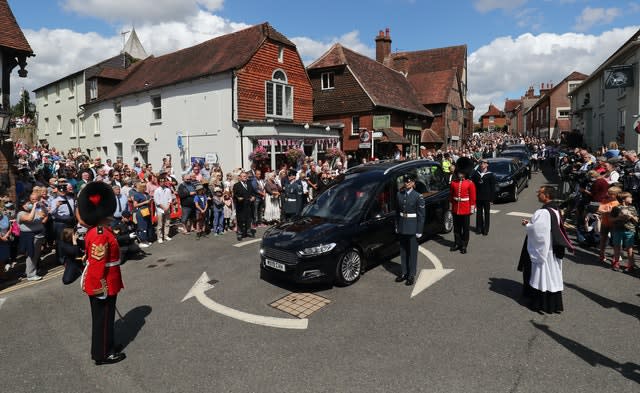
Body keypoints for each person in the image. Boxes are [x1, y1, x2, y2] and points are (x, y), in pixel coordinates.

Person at [77, 181, 126, 365]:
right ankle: (103, 354)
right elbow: (98, 266)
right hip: (103, 282)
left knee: (106, 318)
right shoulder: (99, 233)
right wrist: (100, 288)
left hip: (108, 279)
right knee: (103, 321)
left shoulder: (99, 230)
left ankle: (108, 345)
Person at [519, 186, 573, 313]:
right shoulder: (555, 209)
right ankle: (553, 304)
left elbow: (539, 231)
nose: (538, 194)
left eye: (540, 193)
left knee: (542, 275)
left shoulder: (543, 212)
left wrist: (527, 225)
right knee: (552, 276)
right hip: (552, 247)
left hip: (544, 249)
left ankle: (539, 303)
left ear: (547, 195)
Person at [394, 173, 425, 286]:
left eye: (409, 181)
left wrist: (419, 230)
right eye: (405, 181)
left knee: (412, 252)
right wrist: (397, 225)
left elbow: (421, 215)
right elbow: (397, 212)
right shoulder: (399, 195)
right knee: (403, 251)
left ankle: (411, 275)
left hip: (412, 227)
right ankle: (404, 272)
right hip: (402, 225)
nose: (407, 183)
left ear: (413, 183)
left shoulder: (418, 196)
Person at [17, 193, 48, 281]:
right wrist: (34, 207)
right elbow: (30, 218)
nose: (28, 204)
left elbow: (44, 215)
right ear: (22, 205)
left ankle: (30, 271)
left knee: (36, 255)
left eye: (28, 203)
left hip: (38, 235)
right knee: (31, 255)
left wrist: (42, 206)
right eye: (26, 204)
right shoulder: (21, 213)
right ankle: (30, 275)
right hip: (30, 236)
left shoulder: (35, 210)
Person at [449, 157, 476, 254]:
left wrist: (472, 208)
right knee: (456, 228)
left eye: (461, 172)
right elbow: (451, 196)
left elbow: (472, 198)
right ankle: (457, 243)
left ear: (465, 173)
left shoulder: (470, 183)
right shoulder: (453, 183)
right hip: (456, 208)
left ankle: (464, 245)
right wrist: (451, 206)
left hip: (465, 208)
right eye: (459, 172)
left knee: (465, 228)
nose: (460, 174)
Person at [610, 192, 637, 272]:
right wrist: (619, 217)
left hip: (629, 231)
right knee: (617, 247)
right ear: (624, 199)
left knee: (629, 249)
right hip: (617, 230)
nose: (632, 199)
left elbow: (636, 220)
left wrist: (631, 216)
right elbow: (611, 219)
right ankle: (616, 263)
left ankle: (630, 265)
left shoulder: (632, 208)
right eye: (630, 197)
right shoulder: (616, 208)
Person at [471, 159, 496, 235]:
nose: (482, 164)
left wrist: (492, 199)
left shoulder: (490, 175)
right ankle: (479, 228)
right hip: (478, 196)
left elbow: (492, 188)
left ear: (487, 165)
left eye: (484, 163)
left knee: (486, 213)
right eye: (481, 163)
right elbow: (473, 186)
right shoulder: (476, 174)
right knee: (479, 213)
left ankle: (486, 229)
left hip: (487, 197)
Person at [232, 171, 255, 241]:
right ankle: (240, 233)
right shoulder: (236, 185)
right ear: (240, 177)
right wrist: (238, 198)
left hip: (249, 205)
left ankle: (248, 231)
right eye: (244, 176)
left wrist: (253, 197)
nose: (245, 177)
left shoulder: (249, 184)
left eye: (246, 176)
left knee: (248, 219)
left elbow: (253, 192)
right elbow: (234, 195)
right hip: (240, 206)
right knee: (240, 220)